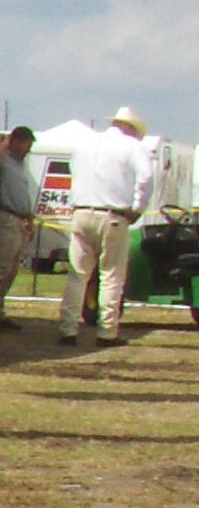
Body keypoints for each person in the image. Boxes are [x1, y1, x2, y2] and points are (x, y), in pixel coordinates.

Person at [60, 106, 158, 345]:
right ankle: (107, 331)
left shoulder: (85, 144)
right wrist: (137, 207)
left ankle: (68, 329)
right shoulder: (133, 147)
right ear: (131, 129)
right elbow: (145, 177)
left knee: (78, 274)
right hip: (113, 215)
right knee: (111, 275)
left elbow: (73, 170)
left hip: (81, 212)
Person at [0, 126, 40, 331]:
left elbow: (21, 193)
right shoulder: (2, 160)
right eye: (26, 144)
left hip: (19, 220)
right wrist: (4, 144)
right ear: (16, 142)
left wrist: (29, 218)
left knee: (11, 269)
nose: (28, 150)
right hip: (4, 218)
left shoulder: (20, 165)